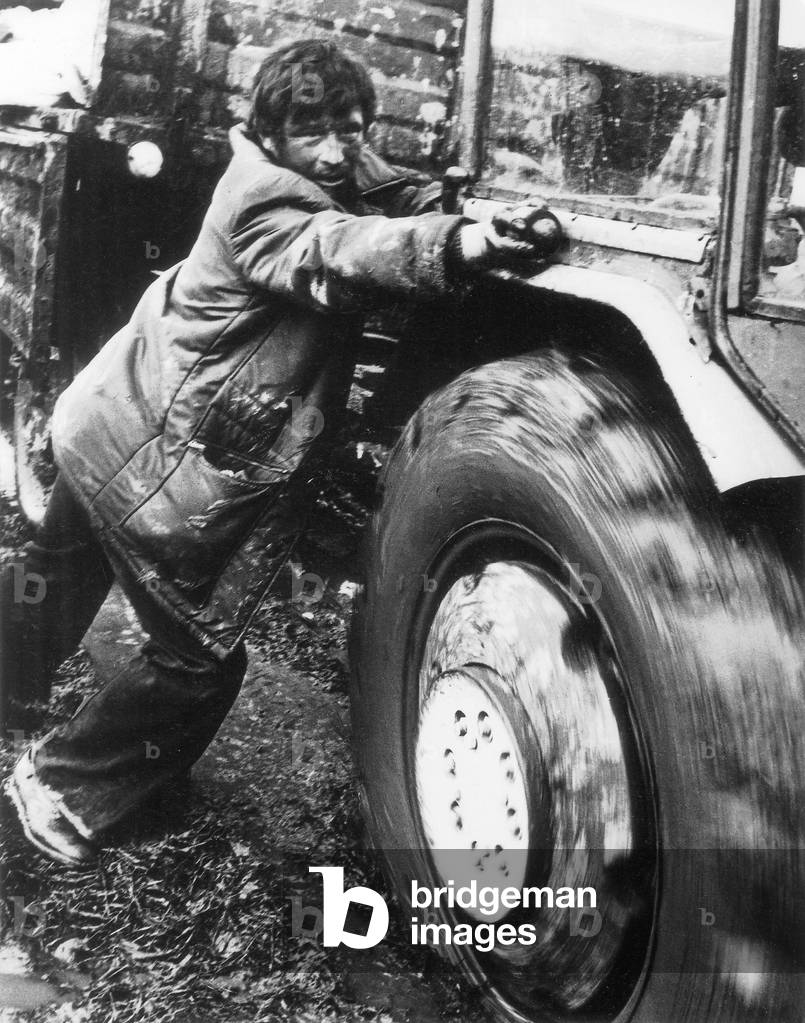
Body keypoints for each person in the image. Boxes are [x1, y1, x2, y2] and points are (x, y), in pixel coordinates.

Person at [1, 39, 544, 866]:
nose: (333, 152)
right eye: (310, 133)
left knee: (60, 567)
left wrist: (464, 207)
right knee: (199, 660)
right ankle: (60, 788)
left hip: (110, 408)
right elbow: (337, 249)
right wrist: (461, 245)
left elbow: (385, 191)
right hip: (144, 443)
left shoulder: (329, 165)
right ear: (268, 132)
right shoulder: (261, 197)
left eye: (349, 130)